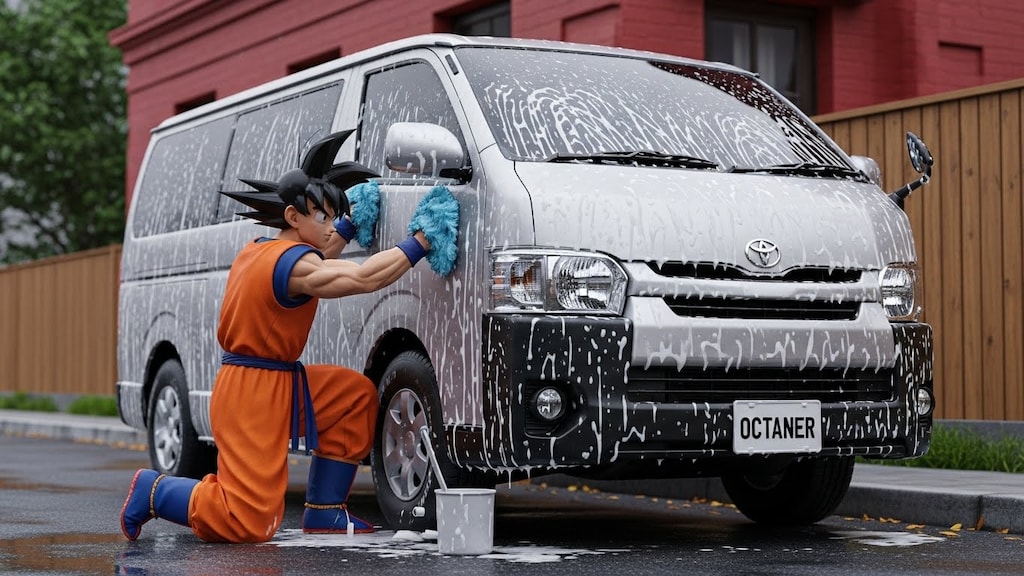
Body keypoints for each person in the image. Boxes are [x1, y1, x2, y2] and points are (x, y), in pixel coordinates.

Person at [120, 129, 457, 543]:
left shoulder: (266, 249)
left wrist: (349, 227)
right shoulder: (293, 264)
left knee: (352, 398)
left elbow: (319, 258)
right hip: (252, 395)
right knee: (248, 521)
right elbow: (362, 278)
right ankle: (155, 490)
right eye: (324, 217)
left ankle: (325, 512)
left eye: (333, 217)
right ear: (294, 218)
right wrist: (421, 239)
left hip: (281, 381)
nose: (330, 225)